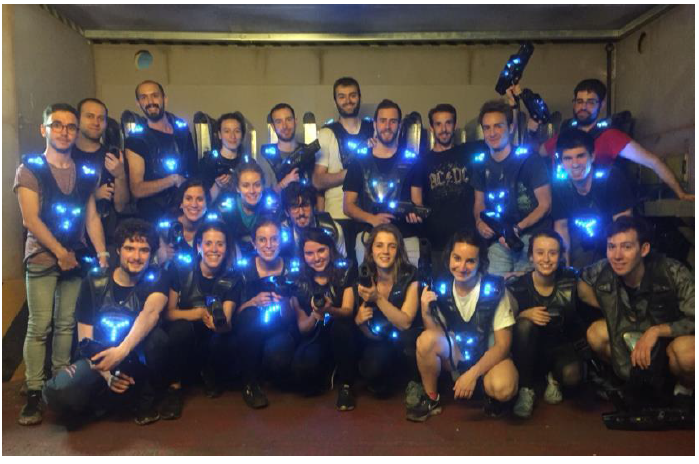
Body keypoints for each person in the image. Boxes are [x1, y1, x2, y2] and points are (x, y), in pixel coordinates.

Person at [15, 103, 109, 426]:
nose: (64, 131)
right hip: (42, 258)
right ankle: (33, 391)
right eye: (57, 125)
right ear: (44, 129)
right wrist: (59, 252)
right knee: (40, 326)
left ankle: (57, 385)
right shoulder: (30, 169)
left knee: (67, 324)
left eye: (70, 126)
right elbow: (30, 219)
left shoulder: (84, 174)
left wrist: (102, 253)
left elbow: (91, 217)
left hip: (75, 259)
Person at [42, 219, 169, 426]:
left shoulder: (157, 279)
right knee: (59, 392)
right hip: (99, 361)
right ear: (118, 250)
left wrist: (120, 353)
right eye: (129, 248)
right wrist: (107, 374)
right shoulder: (94, 281)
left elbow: (151, 313)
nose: (136, 256)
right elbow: (85, 339)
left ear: (151, 254)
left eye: (144, 250)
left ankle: (142, 398)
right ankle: (106, 398)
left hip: (134, 359)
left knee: (159, 340)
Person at [579, 216, 694, 402]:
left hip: (667, 341)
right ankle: (631, 379)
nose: (617, 256)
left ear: (644, 249)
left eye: (626, 247)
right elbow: (581, 283)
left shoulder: (673, 271)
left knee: (687, 354)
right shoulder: (603, 269)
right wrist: (607, 307)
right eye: (611, 247)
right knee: (596, 334)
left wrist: (657, 331)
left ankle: (683, 387)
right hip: (629, 332)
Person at [408, 229, 518, 422]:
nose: (462, 266)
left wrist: (473, 375)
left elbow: (503, 345)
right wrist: (425, 311)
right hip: (457, 354)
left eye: (470, 261)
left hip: (488, 356)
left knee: (504, 388)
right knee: (425, 341)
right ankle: (431, 397)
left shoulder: (494, 290)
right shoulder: (440, 286)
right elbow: (434, 335)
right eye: (457, 258)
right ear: (449, 257)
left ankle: (486, 390)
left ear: (480, 263)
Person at [540, 78, 693, 201]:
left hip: (600, 207)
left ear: (601, 104)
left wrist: (680, 193)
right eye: (579, 101)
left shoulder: (611, 137)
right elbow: (535, 156)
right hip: (562, 207)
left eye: (590, 102)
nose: (583, 107)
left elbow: (653, 162)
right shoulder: (562, 137)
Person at [160, 221, 239, 419]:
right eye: (208, 243)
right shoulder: (180, 270)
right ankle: (174, 388)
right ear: (198, 246)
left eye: (220, 244)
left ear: (226, 248)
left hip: (211, 338)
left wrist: (219, 325)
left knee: (227, 338)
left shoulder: (233, 277)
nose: (214, 249)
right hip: (184, 336)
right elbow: (168, 313)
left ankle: (209, 372)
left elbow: (227, 321)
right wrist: (197, 313)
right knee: (180, 330)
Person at [508, 230, 586, 419]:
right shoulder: (517, 286)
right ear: (531, 256)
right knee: (524, 325)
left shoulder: (573, 281)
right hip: (529, 353)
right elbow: (503, 325)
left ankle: (554, 378)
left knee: (573, 376)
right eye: (540, 252)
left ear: (560, 256)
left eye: (553, 253)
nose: (546, 259)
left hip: (561, 348)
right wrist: (523, 315)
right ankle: (526, 388)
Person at [471, 99, 552, 276]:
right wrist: (479, 222)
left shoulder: (530, 160)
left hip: (532, 238)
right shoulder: (480, 164)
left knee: (526, 289)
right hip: (499, 241)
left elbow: (545, 205)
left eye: (498, 126)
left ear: (510, 127)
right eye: (487, 128)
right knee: (493, 288)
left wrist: (517, 228)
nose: (492, 133)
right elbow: (479, 202)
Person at [342, 99, 424, 265]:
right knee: (368, 282)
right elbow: (348, 206)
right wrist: (372, 219)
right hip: (369, 238)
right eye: (383, 121)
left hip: (405, 238)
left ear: (399, 125)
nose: (387, 126)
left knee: (410, 281)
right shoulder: (359, 161)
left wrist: (415, 214)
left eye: (393, 121)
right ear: (375, 124)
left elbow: (417, 202)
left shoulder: (412, 161)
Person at [234, 216, 301, 408]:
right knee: (250, 315)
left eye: (274, 239)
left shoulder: (292, 268)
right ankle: (250, 384)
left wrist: (284, 302)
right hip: (250, 330)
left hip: (282, 329)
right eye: (262, 240)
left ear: (281, 241)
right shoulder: (243, 270)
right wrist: (253, 302)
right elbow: (235, 315)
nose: (269, 245)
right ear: (254, 243)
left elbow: (293, 318)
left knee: (278, 360)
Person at [354, 224, 420, 400]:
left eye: (392, 246)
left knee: (408, 341)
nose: (385, 251)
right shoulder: (364, 275)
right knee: (373, 370)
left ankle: (412, 381)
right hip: (378, 339)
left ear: (398, 250)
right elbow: (367, 330)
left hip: (405, 339)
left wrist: (378, 298)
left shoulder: (411, 274)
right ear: (371, 250)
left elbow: (405, 323)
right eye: (379, 245)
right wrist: (360, 323)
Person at [418, 103, 487, 274]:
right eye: (438, 124)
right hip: (437, 243)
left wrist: (513, 106)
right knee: (441, 288)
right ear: (432, 128)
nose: (444, 129)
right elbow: (417, 201)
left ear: (454, 126)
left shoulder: (468, 152)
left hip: (468, 240)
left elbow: (499, 137)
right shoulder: (422, 162)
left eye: (448, 123)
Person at [552, 129, 634, 268]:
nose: (575, 164)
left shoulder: (611, 177)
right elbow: (561, 227)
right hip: (583, 245)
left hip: (614, 245)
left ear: (592, 156)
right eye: (568, 158)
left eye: (580, 156)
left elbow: (623, 227)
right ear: (561, 161)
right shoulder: (560, 185)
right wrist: (565, 270)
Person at [314, 77, 375, 260]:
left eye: (352, 95)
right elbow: (317, 180)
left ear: (359, 97)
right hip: (338, 216)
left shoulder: (373, 129)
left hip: (370, 214)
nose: (348, 100)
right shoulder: (326, 133)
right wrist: (351, 174)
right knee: (342, 270)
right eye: (342, 96)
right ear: (335, 100)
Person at [290, 228, 356, 398]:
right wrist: (315, 314)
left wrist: (329, 310)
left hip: (342, 331)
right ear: (303, 255)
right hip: (315, 334)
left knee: (341, 328)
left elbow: (348, 311)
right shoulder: (297, 279)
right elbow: (303, 328)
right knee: (302, 374)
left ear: (330, 249)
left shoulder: (345, 269)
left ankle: (346, 383)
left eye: (321, 250)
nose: (317, 258)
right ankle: (327, 368)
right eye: (309, 253)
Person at [125, 80, 198, 222]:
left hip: (187, 213)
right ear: (138, 103)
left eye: (155, 95)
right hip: (153, 217)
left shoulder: (182, 131)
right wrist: (173, 180)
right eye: (144, 97)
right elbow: (137, 189)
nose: (150, 101)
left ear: (165, 99)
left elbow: (194, 172)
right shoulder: (135, 140)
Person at [72, 97, 129, 247]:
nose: (96, 122)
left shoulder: (113, 157)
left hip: (108, 237)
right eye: (89, 116)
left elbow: (121, 206)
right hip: (71, 238)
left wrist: (120, 176)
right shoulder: (66, 155)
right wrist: (94, 196)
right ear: (77, 119)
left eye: (101, 118)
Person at [216, 161, 284, 259]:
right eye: (246, 186)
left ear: (263, 186)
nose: (252, 191)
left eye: (257, 185)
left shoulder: (272, 207)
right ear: (237, 188)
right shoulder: (226, 209)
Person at [258, 103, 317, 192]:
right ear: (273, 126)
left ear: (295, 121)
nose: (284, 126)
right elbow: (263, 194)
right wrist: (283, 183)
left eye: (288, 120)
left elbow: (318, 188)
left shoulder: (308, 152)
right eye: (279, 122)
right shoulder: (266, 157)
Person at [155, 178, 211, 266]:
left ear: (207, 204)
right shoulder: (166, 229)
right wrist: (167, 257)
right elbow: (159, 264)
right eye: (188, 198)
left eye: (199, 199)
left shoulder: (214, 229)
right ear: (181, 203)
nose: (194, 205)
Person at [282, 182, 346, 257]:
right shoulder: (280, 233)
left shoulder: (333, 229)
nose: (301, 213)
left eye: (305, 205)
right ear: (287, 212)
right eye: (295, 207)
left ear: (314, 207)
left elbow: (341, 261)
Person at [199, 111, 252, 203]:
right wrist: (217, 186)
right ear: (220, 135)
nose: (232, 136)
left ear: (242, 135)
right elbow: (200, 202)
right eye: (227, 131)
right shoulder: (207, 162)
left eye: (237, 131)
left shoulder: (249, 163)